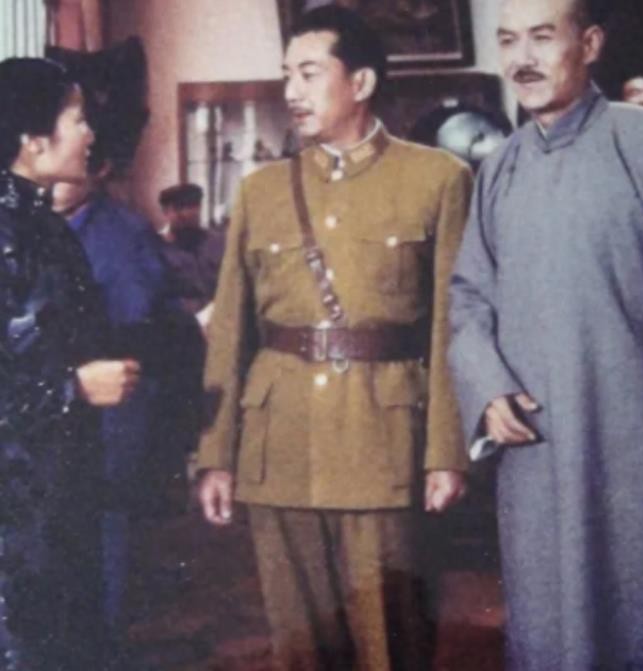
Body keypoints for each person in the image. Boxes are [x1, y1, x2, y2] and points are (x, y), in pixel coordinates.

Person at [197, 6, 471, 670]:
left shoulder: (437, 178)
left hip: (384, 447)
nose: (291, 91)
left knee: (391, 646)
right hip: (280, 449)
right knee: (300, 650)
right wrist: (215, 454)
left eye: (310, 73)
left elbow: (451, 326)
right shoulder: (262, 190)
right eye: (286, 74)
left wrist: (444, 452)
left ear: (362, 82)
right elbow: (230, 330)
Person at [448, 1, 643, 669]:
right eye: (508, 41)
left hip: (630, 446)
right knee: (546, 626)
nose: (522, 59)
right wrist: (486, 387)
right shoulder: (498, 168)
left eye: (541, 37)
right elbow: (468, 295)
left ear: (589, 44)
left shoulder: (637, 144)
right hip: (534, 447)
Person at [0, 57, 140, 670]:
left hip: (56, 499)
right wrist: (72, 389)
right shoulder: (9, 232)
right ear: (34, 141)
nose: (89, 134)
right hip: (15, 523)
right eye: (77, 119)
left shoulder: (42, 226)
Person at [52, 155, 180, 667]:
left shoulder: (124, 233)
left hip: (106, 428)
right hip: (34, 425)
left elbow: (136, 330)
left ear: (99, 169)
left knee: (100, 560)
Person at [158, 183, 225, 331]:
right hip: (181, 328)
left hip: (221, 321)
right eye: (180, 207)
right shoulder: (156, 249)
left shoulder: (218, 243)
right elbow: (160, 298)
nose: (187, 213)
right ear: (165, 211)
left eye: (192, 206)